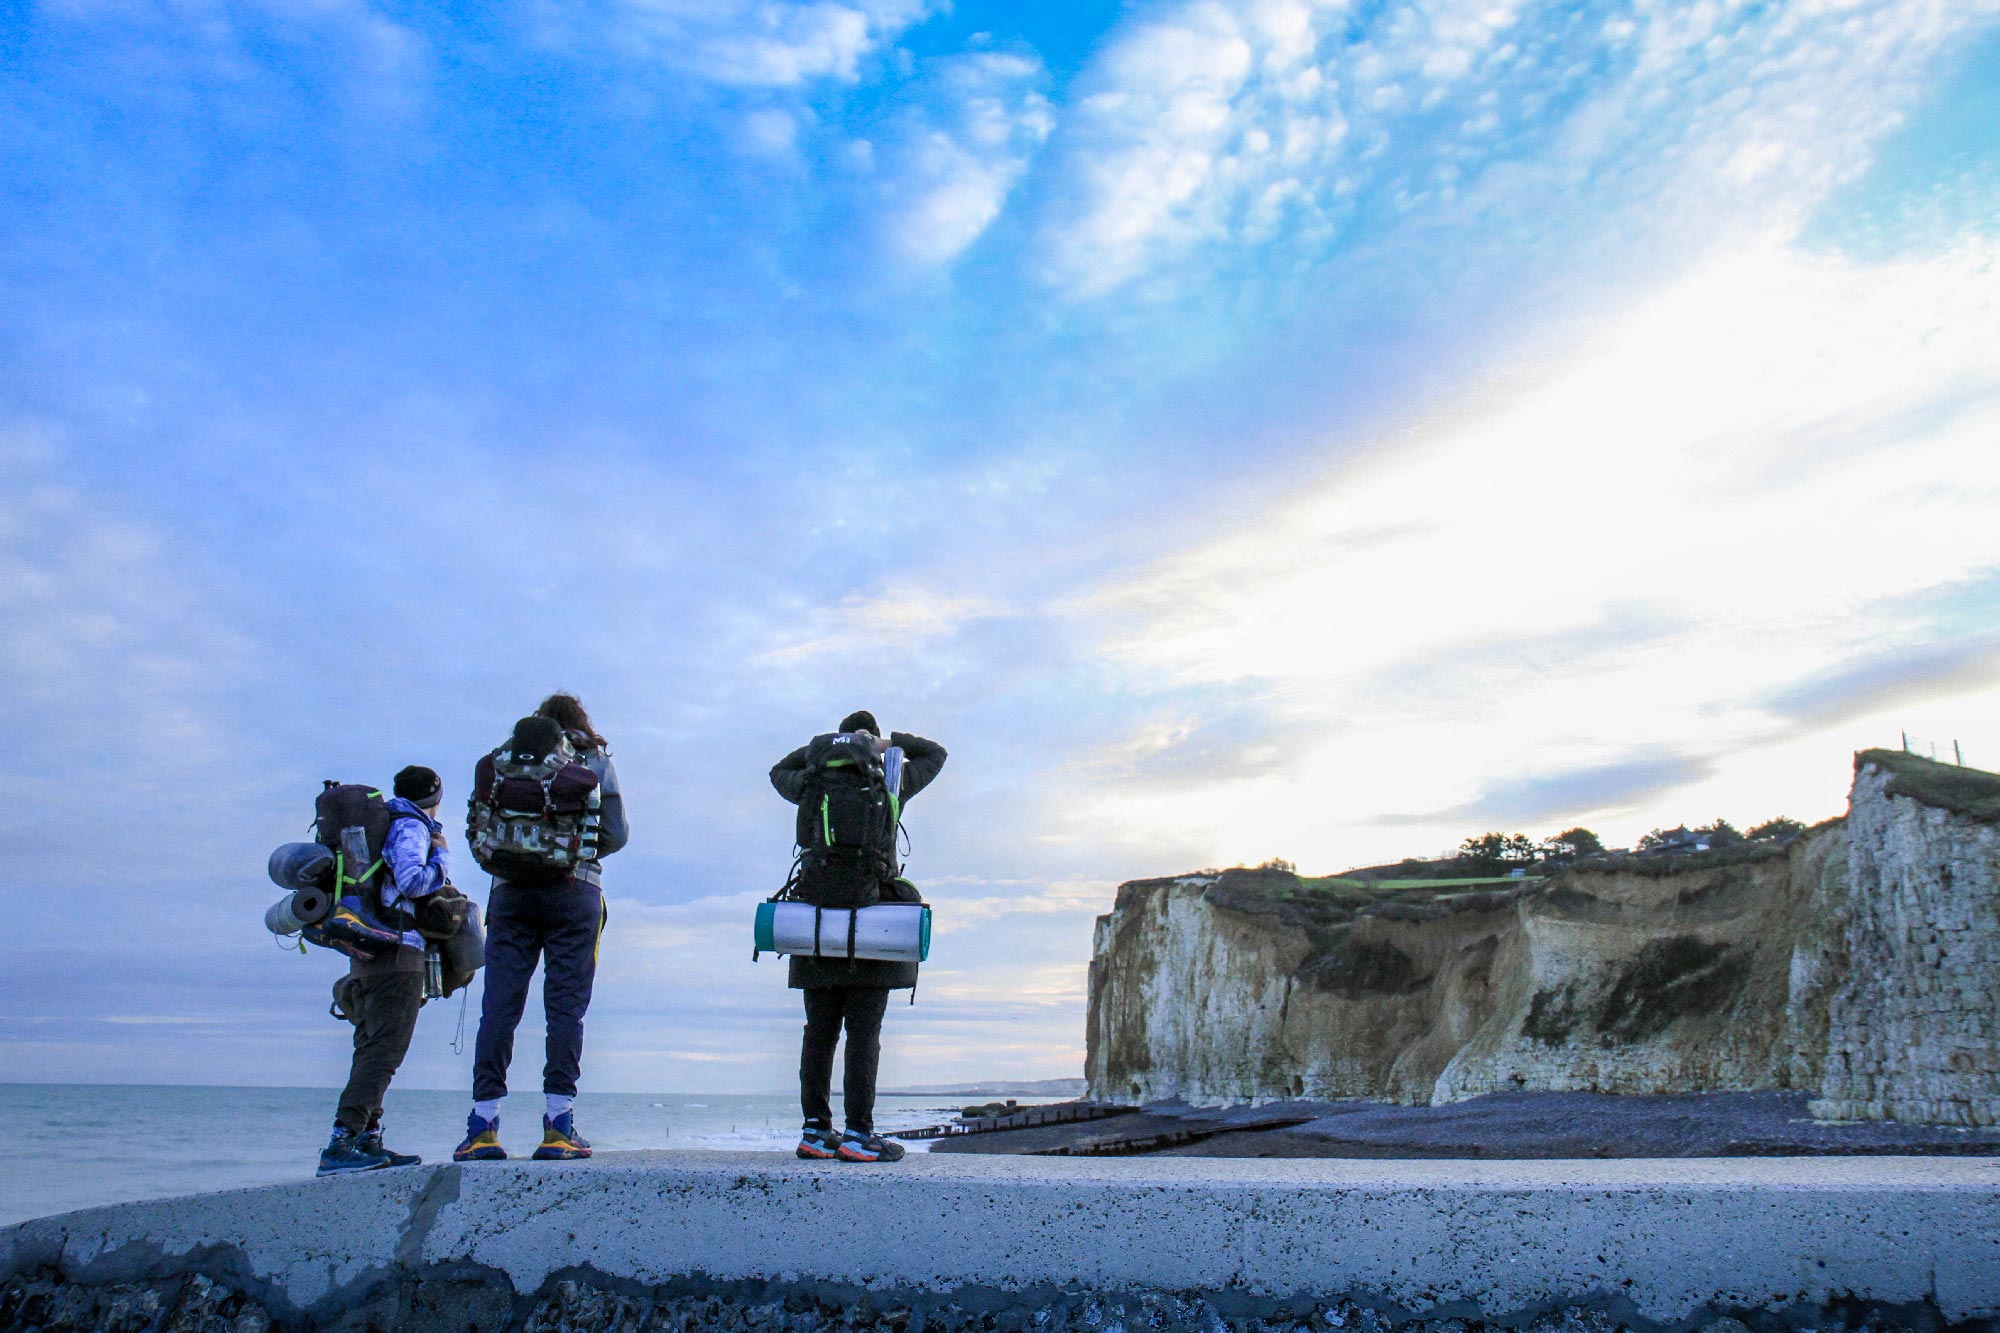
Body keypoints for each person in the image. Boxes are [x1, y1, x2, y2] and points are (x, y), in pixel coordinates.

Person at [455, 693, 628, 1162]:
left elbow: (483, 823)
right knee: (565, 1010)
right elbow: (615, 835)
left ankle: (483, 1126)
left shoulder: (501, 762)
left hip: (509, 894)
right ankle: (558, 1126)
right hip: (576, 894)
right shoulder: (594, 760)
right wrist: (565, 851)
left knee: (500, 1008)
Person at [769, 710, 946, 1163]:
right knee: (864, 1034)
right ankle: (857, 1134)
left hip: (816, 924)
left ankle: (814, 1131)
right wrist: (884, 744)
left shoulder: (809, 783)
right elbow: (936, 754)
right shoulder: (889, 781)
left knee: (819, 1032)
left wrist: (823, 749)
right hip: (873, 922)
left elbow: (777, 771)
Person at [318, 765, 450, 1176]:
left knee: (371, 1047)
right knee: (385, 1051)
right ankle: (342, 1140)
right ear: (434, 795)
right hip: (397, 950)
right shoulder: (412, 827)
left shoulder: (384, 823)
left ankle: (366, 1138)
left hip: (367, 950)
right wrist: (441, 855)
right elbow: (411, 881)